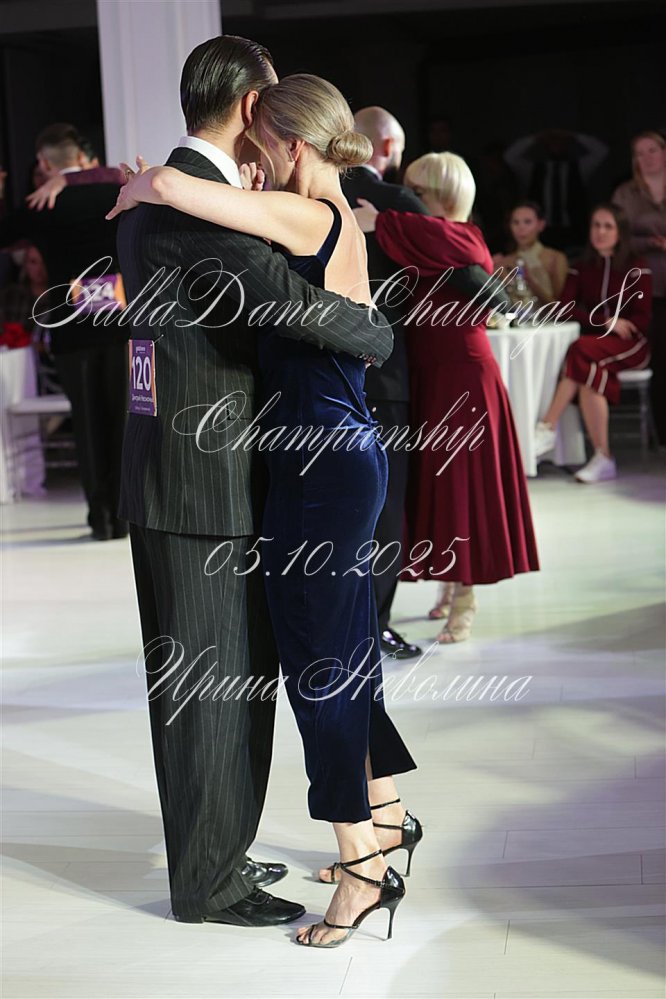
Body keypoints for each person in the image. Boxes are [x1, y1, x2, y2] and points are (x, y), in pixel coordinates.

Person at [108, 37, 415, 946]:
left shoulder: (190, 200)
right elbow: (300, 308)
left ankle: (347, 840)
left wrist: (143, 180)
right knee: (237, 685)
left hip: (262, 471)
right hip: (213, 487)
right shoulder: (207, 211)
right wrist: (379, 335)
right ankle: (229, 873)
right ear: (252, 109)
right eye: (269, 102)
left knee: (297, 664)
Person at [355, 152, 539, 643]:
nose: (407, 198)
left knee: (463, 485)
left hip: (463, 375)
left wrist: (383, 221)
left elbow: (440, 245)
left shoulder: (460, 237)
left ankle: (466, 595)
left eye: (417, 191)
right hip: (430, 375)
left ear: (440, 193)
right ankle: (449, 583)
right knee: (439, 484)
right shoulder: (422, 236)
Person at [0, 123, 129, 540]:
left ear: (43, 162)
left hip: (71, 331)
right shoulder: (116, 189)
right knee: (123, 419)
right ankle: (124, 517)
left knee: (87, 424)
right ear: (81, 155)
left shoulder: (44, 203)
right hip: (120, 324)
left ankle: (100, 519)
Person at [341, 106, 427, 660]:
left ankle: (339, 625)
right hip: (387, 371)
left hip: (325, 370)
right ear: (390, 145)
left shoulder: (311, 197)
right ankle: (375, 626)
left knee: (336, 502)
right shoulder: (398, 204)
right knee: (386, 505)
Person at [535, 204, 652, 483]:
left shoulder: (637, 266)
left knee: (580, 349)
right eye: (596, 225)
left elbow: (642, 319)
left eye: (608, 226)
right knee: (590, 372)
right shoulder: (581, 267)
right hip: (597, 344)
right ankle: (603, 457)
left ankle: (548, 425)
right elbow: (563, 308)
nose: (600, 232)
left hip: (631, 345)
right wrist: (604, 321)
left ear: (620, 232)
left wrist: (615, 324)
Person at [612, 130, 666, 444]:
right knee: (656, 358)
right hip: (646, 285)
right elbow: (614, 235)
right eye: (639, 153)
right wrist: (651, 242)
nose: (646, 158)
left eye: (652, 150)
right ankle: (658, 434)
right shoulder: (626, 193)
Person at [493, 200, 568, 305]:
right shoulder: (504, 262)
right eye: (516, 222)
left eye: (527, 222)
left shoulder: (555, 258)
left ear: (541, 225)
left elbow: (561, 306)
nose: (521, 228)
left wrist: (529, 281)